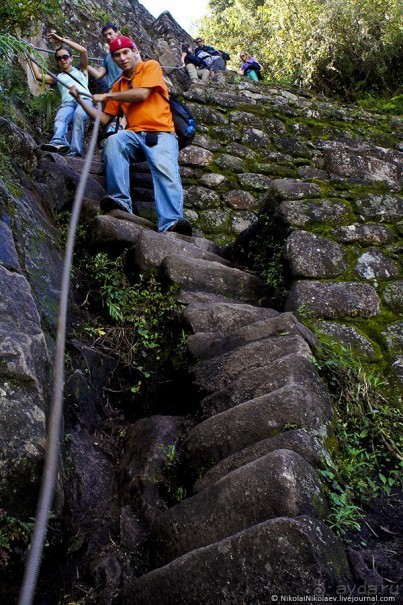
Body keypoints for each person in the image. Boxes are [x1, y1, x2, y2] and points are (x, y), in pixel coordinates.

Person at [70, 36, 192, 236]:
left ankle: (171, 222)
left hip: (160, 133)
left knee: (165, 173)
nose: (122, 57)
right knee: (114, 140)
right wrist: (80, 100)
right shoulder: (118, 85)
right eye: (117, 55)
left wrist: (108, 95)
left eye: (126, 52)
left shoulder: (150, 67)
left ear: (135, 52)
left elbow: (142, 94)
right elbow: (103, 119)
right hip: (134, 135)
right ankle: (120, 201)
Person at [29, 32, 93, 156]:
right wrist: (30, 52)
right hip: (68, 103)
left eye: (65, 56)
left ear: (70, 58)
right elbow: (38, 76)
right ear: (57, 62)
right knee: (60, 118)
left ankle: (75, 151)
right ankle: (58, 141)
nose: (62, 60)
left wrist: (62, 40)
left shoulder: (82, 69)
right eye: (59, 58)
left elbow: (83, 51)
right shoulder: (57, 77)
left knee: (78, 115)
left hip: (84, 99)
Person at [87, 23, 122, 92]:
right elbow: (98, 75)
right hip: (113, 92)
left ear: (117, 33)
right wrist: (85, 65)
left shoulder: (127, 50)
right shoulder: (107, 57)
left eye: (110, 33)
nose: (108, 37)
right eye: (105, 35)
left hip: (126, 87)